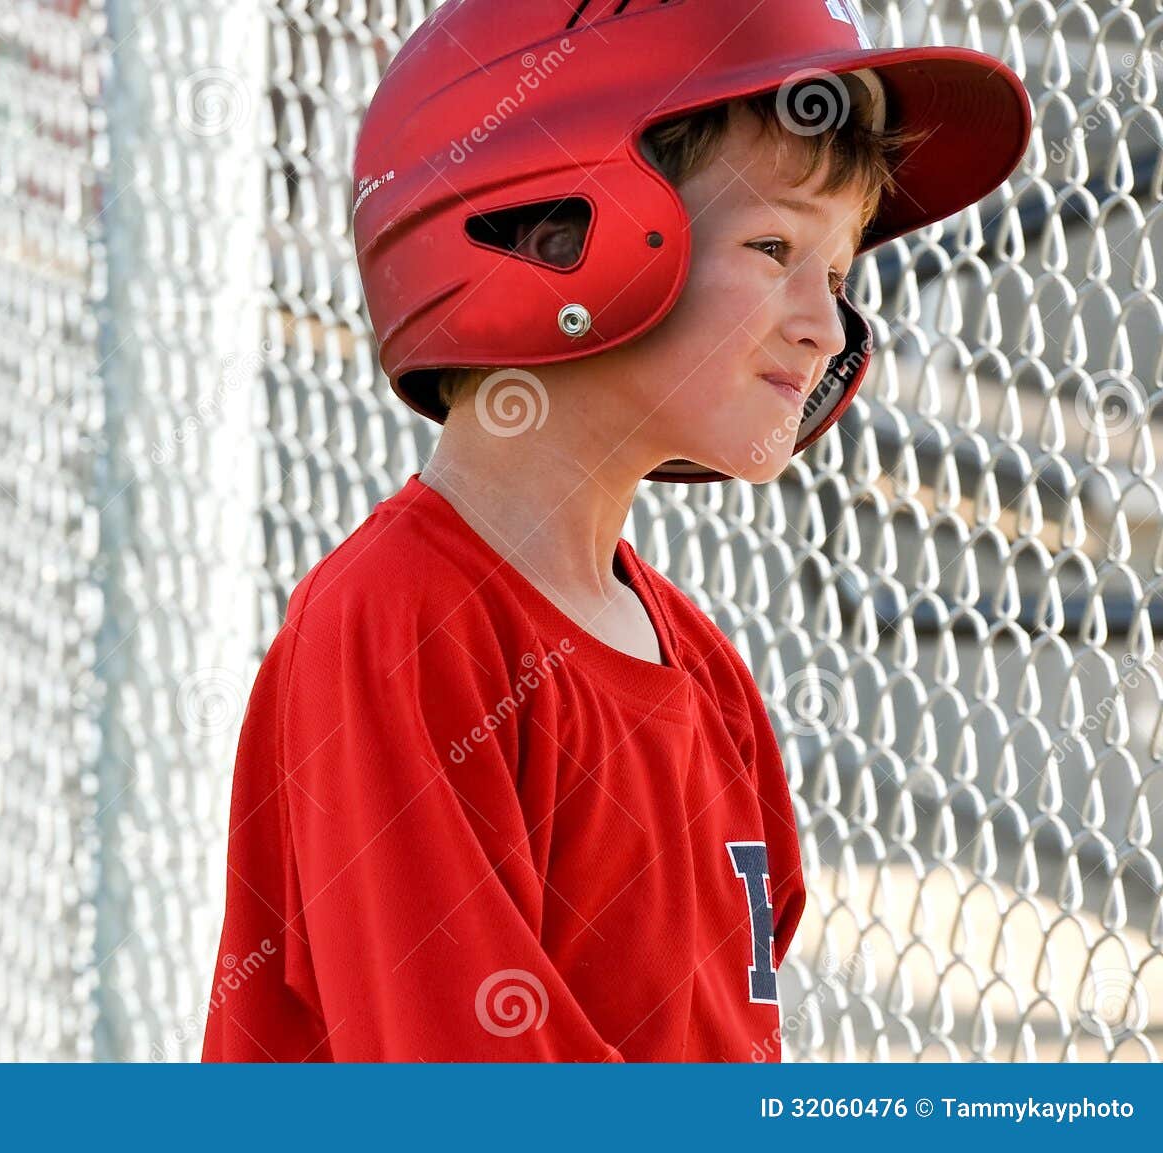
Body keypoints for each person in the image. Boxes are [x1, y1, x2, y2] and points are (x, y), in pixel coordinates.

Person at [201, 0, 1031, 1061]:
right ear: (553, 231)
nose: (825, 323)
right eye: (773, 246)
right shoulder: (398, 626)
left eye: (837, 276)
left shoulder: (705, 672)